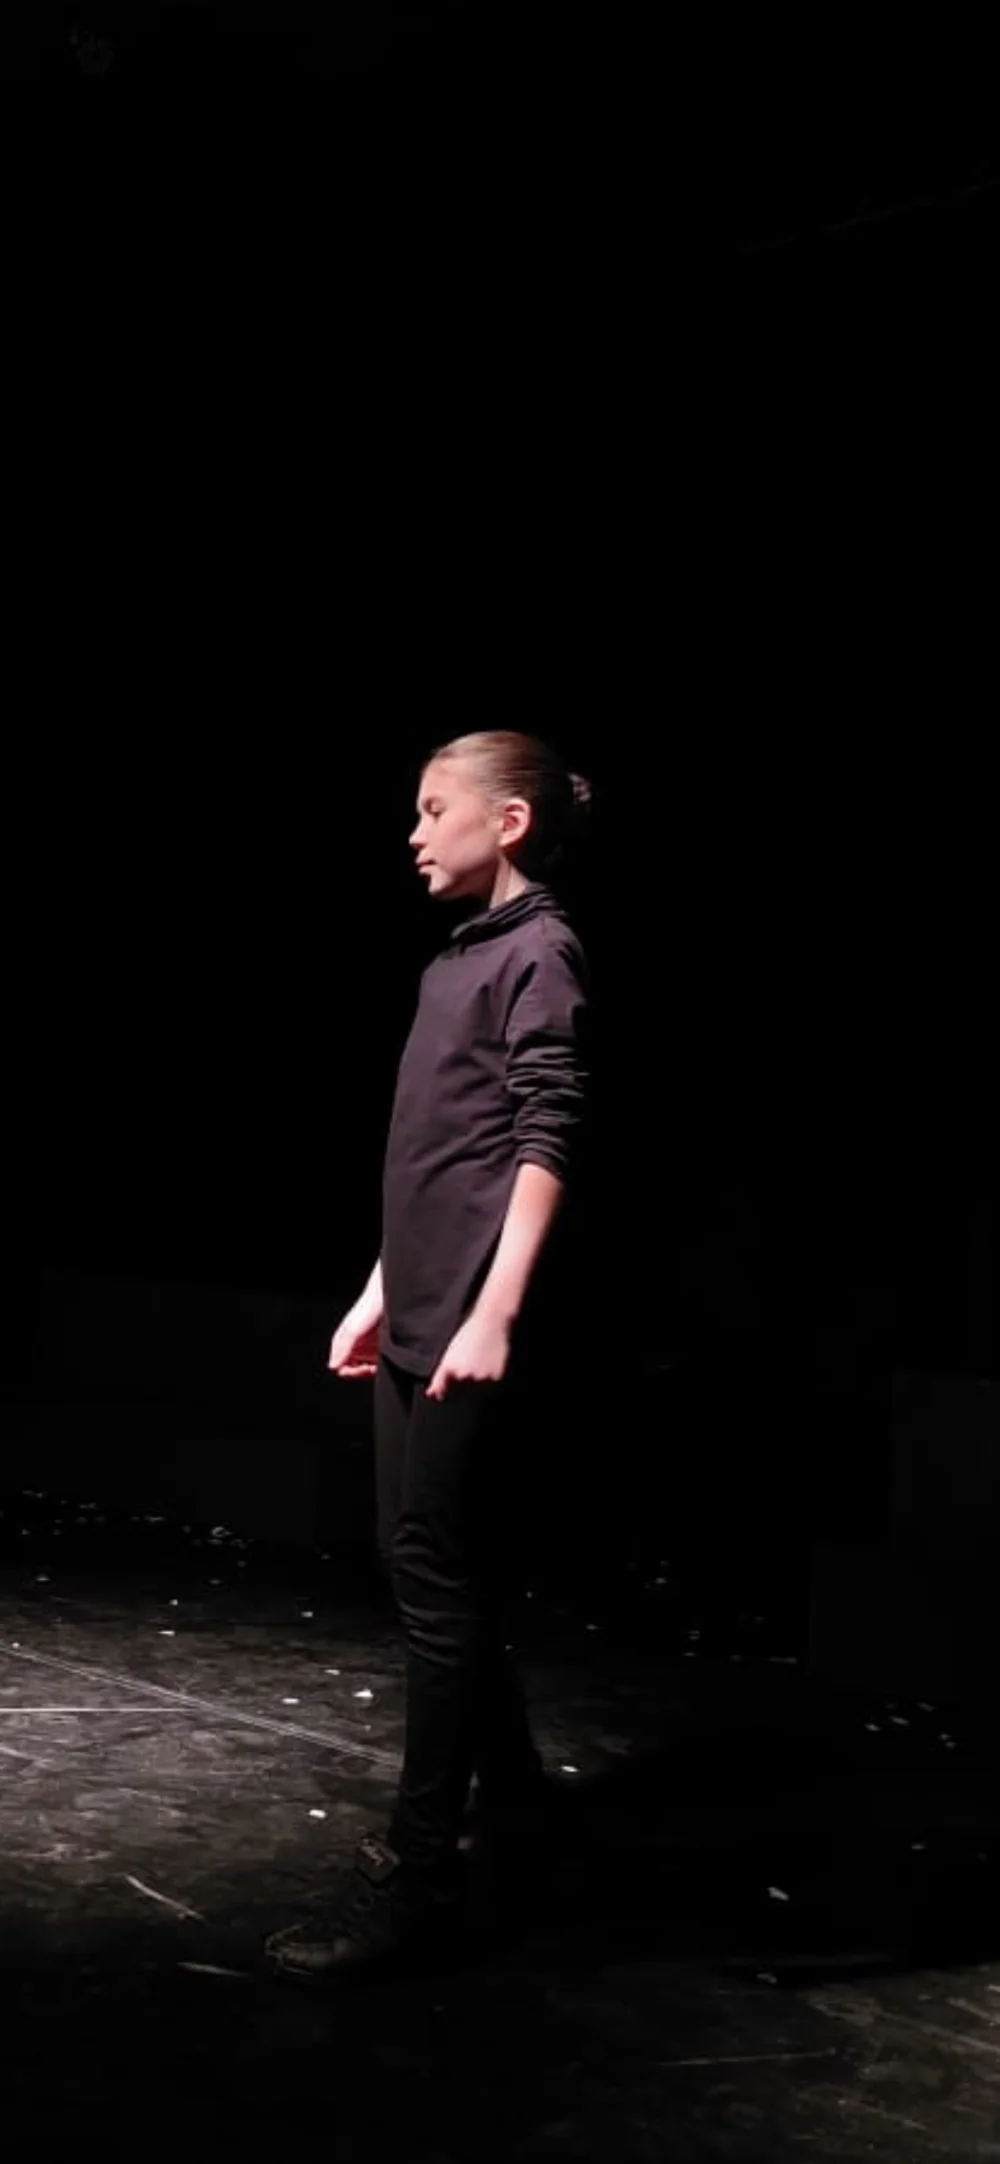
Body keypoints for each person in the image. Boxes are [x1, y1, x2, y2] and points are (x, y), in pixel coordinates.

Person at [267, 729, 594, 1982]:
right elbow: (433, 1155)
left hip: (468, 1318)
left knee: (438, 1583)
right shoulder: (456, 959)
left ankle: (423, 1868)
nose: (413, 833)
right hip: (418, 1307)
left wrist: (493, 1311)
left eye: (432, 808)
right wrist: (376, 1288)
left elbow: (545, 1137)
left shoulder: (540, 950)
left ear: (506, 822)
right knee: (425, 1572)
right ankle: (517, 1818)